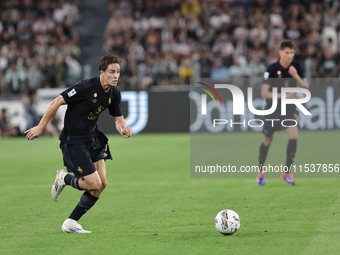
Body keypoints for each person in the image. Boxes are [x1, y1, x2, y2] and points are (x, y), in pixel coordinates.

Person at [25, 54, 132, 233]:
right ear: (102, 73)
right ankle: (64, 178)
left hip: (94, 138)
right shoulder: (85, 87)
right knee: (94, 184)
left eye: (118, 72)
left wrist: (123, 129)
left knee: (102, 184)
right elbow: (57, 101)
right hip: (74, 140)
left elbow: (118, 119)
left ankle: (71, 222)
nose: (116, 76)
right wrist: (40, 127)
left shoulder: (114, 93)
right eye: (112, 72)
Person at [257, 40, 309, 186]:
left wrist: (296, 76)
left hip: (289, 108)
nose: (290, 55)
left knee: (293, 135)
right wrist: (283, 95)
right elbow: (264, 93)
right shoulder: (272, 69)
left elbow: (306, 88)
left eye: (292, 53)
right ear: (280, 53)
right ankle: (260, 170)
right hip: (273, 108)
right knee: (268, 140)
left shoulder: (296, 66)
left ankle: (286, 172)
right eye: (287, 52)